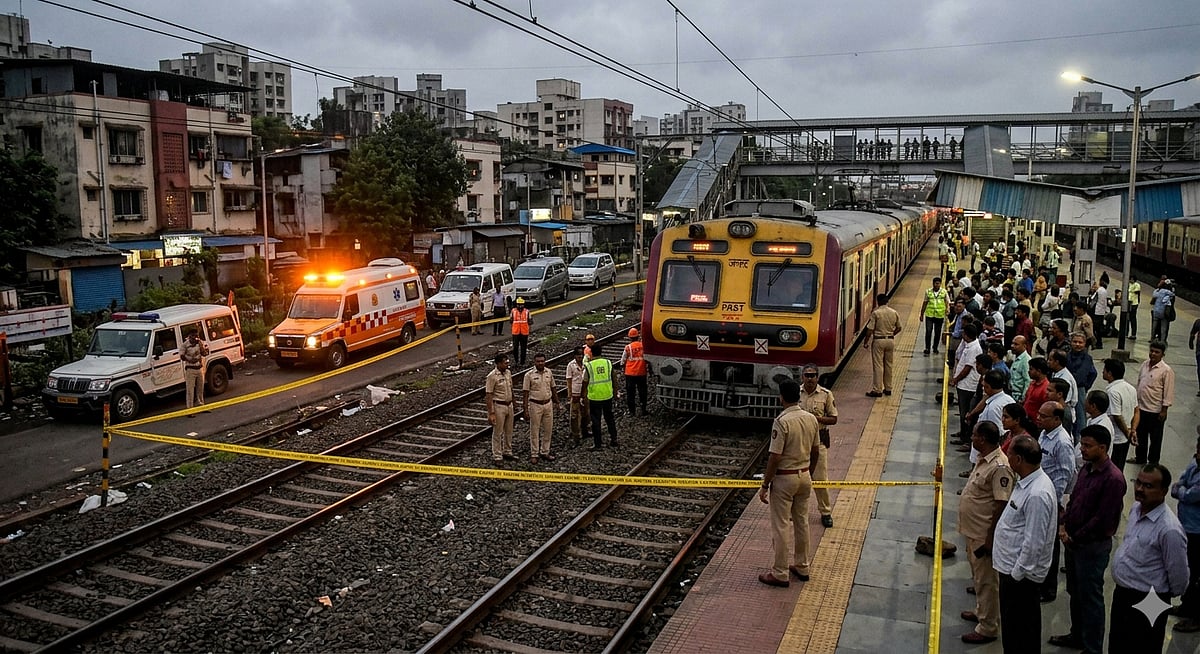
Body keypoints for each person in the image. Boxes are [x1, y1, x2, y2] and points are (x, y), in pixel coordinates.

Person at [1050, 424, 1127, 653]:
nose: (1082, 449)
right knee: (1076, 593)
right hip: (1074, 543)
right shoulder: (1086, 469)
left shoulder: (1113, 479)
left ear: (1103, 448)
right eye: (1082, 444)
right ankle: (1077, 635)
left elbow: (1102, 519)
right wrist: (1064, 525)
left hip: (1091, 548)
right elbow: (1075, 500)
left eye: (1087, 446)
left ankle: (1092, 647)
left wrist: (1075, 536)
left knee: (1091, 598)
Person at [1108, 464, 1190, 653]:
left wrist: (1159, 594)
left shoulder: (1169, 529)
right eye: (1139, 483)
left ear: (1163, 491)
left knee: (1143, 646)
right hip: (1124, 595)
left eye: (1148, 486)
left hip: (1150, 599)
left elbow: (1179, 578)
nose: (1139, 489)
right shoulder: (1137, 509)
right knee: (1119, 644)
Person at [993, 436, 1058, 654]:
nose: (1006, 454)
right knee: (1013, 631)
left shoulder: (1038, 493)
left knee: (1021, 633)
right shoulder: (1027, 483)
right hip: (1013, 573)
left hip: (1020, 580)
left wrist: (1016, 574)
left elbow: (1034, 543)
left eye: (1009, 453)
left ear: (1018, 459)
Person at [757, 378, 821, 588]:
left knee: (781, 525)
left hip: (785, 479)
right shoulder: (811, 419)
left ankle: (780, 572)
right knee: (802, 522)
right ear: (799, 396)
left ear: (781, 397)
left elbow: (775, 457)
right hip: (804, 476)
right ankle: (802, 565)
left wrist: (766, 484)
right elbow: (815, 450)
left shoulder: (782, 421)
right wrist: (809, 472)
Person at [957, 421, 1015, 645]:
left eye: (974, 435)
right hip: (973, 530)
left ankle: (988, 626)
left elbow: (1001, 504)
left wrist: (991, 538)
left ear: (982, 439)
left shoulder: (1000, 466)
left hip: (984, 534)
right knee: (978, 577)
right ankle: (982, 611)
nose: (971, 438)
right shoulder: (984, 460)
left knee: (987, 580)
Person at [1036, 401, 1076, 603]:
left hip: (1052, 499)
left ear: (1057, 419)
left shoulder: (1062, 442)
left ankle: (1048, 588)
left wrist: (1057, 503)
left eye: (1043, 416)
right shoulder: (1045, 434)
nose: (1038, 418)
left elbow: (1065, 473)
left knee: (1050, 544)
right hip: (1041, 495)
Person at [799, 364, 838, 529]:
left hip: (818, 441)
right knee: (798, 479)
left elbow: (834, 418)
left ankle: (826, 512)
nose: (809, 378)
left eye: (813, 375)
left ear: (817, 377)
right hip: (800, 442)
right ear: (802, 377)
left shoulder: (826, 395)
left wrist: (817, 419)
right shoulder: (796, 393)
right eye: (807, 375)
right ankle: (798, 512)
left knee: (820, 478)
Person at [1171, 434, 1200, 633]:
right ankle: (1186, 605)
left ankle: (1196, 617)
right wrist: (1182, 490)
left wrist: (1181, 491)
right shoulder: (1195, 461)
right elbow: (1181, 481)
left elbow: (1191, 494)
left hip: (1198, 529)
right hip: (1187, 524)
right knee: (1189, 568)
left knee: (1198, 574)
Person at [1134, 340, 1175, 465]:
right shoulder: (1144, 365)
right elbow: (1139, 382)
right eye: (1151, 351)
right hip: (1142, 408)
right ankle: (1140, 458)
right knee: (1141, 435)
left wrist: (1164, 410)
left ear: (1163, 354)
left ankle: (1153, 461)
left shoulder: (1166, 370)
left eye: (1157, 352)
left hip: (1156, 410)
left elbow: (1168, 391)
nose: (1153, 354)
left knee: (1155, 438)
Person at [522, 352, 558, 464]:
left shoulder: (549, 372)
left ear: (545, 361)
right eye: (538, 361)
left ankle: (545, 451)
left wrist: (557, 402)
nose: (540, 363)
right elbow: (525, 393)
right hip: (535, 404)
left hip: (548, 403)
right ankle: (534, 453)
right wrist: (525, 409)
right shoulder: (529, 375)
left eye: (542, 361)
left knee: (548, 429)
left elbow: (553, 387)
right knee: (535, 430)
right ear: (534, 362)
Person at [864, 293, 902, 397]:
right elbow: (899, 328)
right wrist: (891, 334)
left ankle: (877, 390)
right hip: (890, 341)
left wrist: (866, 341)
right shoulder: (894, 312)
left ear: (878, 302)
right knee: (889, 365)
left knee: (878, 365)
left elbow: (870, 330)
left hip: (878, 341)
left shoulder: (876, 313)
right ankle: (888, 388)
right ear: (887, 301)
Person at [952, 322, 983, 442]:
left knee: (965, 411)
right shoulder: (969, 345)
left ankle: (965, 437)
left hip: (967, 385)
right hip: (963, 384)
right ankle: (962, 432)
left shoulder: (974, 348)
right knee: (962, 410)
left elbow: (967, 368)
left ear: (966, 335)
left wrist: (956, 379)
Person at [1103, 358, 1136, 471]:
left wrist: (1127, 432)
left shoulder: (1113, 392)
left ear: (1110, 373)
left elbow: (1116, 415)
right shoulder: (1131, 388)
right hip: (1126, 435)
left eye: (1104, 370)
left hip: (1117, 437)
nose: (1103, 372)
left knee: (1113, 468)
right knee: (1120, 466)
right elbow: (1137, 411)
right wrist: (1132, 431)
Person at [584, 348, 617, 450]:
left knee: (596, 421)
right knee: (609, 418)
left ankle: (598, 444)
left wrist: (583, 395)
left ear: (592, 354)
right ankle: (614, 439)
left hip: (595, 397)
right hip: (607, 395)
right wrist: (615, 392)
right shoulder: (608, 363)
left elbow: (585, 381)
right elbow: (614, 378)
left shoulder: (589, 365)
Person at [485, 354, 516, 463]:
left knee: (509, 430)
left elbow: (511, 388)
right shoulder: (492, 376)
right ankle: (497, 455)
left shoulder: (508, 373)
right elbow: (489, 395)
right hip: (499, 405)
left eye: (507, 362)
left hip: (509, 405)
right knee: (498, 432)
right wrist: (491, 413)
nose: (507, 365)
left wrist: (514, 402)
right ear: (498, 364)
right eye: (505, 363)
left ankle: (507, 451)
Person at [564, 346, 591, 446]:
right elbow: (569, 380)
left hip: (585, 392)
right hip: (575, 393)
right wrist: (569, 394)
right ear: (574, 356)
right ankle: (576, 435)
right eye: (578, 355)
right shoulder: (570, 365)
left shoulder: (586, 364)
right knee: (575, 415)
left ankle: (585, 431)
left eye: (581, 354)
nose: (580, 356)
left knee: (586, 413)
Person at [618, 328, 648, 416]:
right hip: (641, 372)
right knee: (642, 392)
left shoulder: (628, 347)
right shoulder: (643, 345)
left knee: (631, 393)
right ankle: (643, 410)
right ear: (638, 336)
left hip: (630, 373)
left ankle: (632, 411)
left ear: (630, 338)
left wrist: (622, 367)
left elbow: (622, 361)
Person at [920, 276, 949, 357]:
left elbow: (947, 302)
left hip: (939, 315)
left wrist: (947, 309)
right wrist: (921, 314)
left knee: (937, 332)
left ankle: (935, 347)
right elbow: (925, 302)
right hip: (929, 314)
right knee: (928, 331)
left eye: (938, 284)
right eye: (936, 283)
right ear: (933, 284)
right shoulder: (928, 291)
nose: (937, 285)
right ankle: (927, 348)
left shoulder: (944, 292)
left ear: (940, 284)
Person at [182, 330, 209, 410]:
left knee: (200, 388)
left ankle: (201, 405)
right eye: (193, 336)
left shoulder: (199, 343)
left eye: (196, 336)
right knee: (190, 390)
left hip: (199, 368)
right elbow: (182, 356)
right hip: (190, 369)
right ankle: (190, 409)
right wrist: (190, 359)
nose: (195, 338)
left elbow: (204, 353)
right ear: (189, 336)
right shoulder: (185, 345)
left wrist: (201, 346)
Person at [510, 297, 531, 366]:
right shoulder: (513, 311)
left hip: (524, 332)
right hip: (515, 332)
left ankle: (522, 362)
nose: (520, 306)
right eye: (518, 304)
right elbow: (511, 320)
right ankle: (516, 361)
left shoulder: (527, 312)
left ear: (523, 305)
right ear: (516, 304)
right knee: (515, 347)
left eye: (521, 304)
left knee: (523, 348)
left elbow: (530, 321)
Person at [1009, 335, 1031, 401]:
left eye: (1016, 344)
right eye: (1012, 343)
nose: (1012, 346)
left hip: (1018, 397)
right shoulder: (1015, 357)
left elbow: (1028, 381)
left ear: (1024, 346)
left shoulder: (1026, 360)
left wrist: (1023, 399)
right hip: (1011, 394)